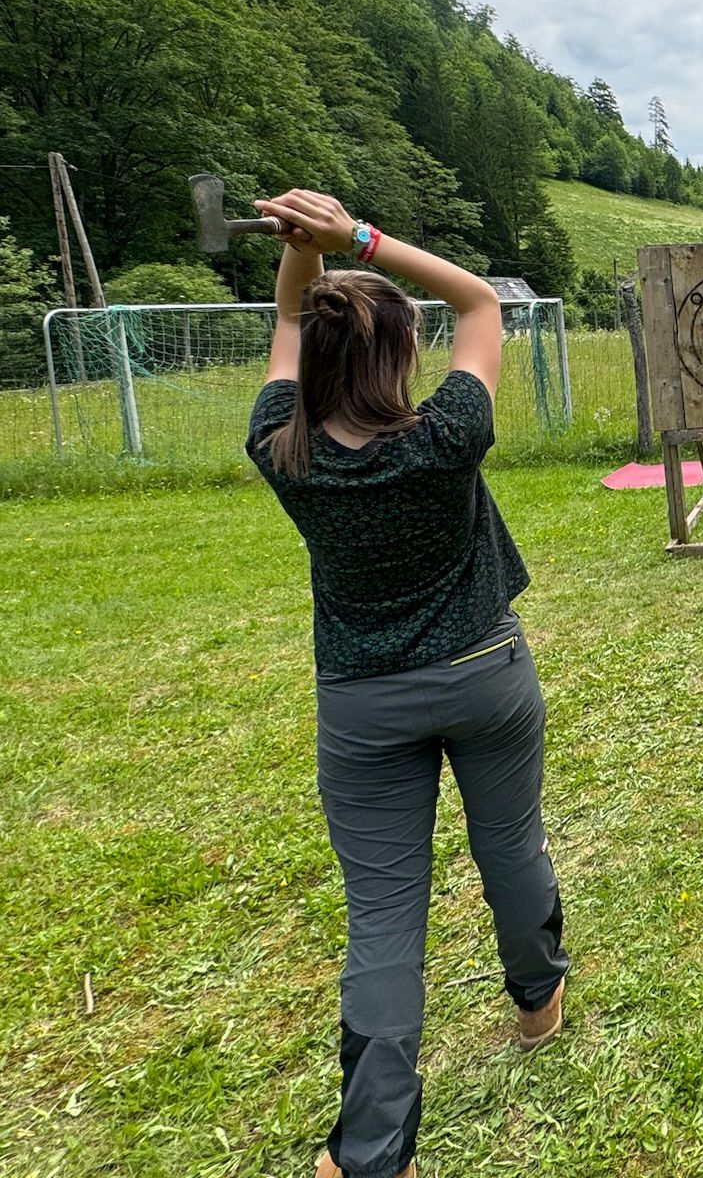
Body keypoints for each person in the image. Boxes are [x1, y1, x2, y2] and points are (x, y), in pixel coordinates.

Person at [244, 190, 569, 1178]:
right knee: (508, 844)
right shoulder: (445, 435)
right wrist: (358, 242)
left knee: (384, 915)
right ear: (394, 358)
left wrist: (304, 256)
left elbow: (287, 330)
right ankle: (537, 1004)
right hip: (484, 675)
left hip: (362, 701)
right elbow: (479, 302)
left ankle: (371, 1152)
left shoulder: (282, 448)